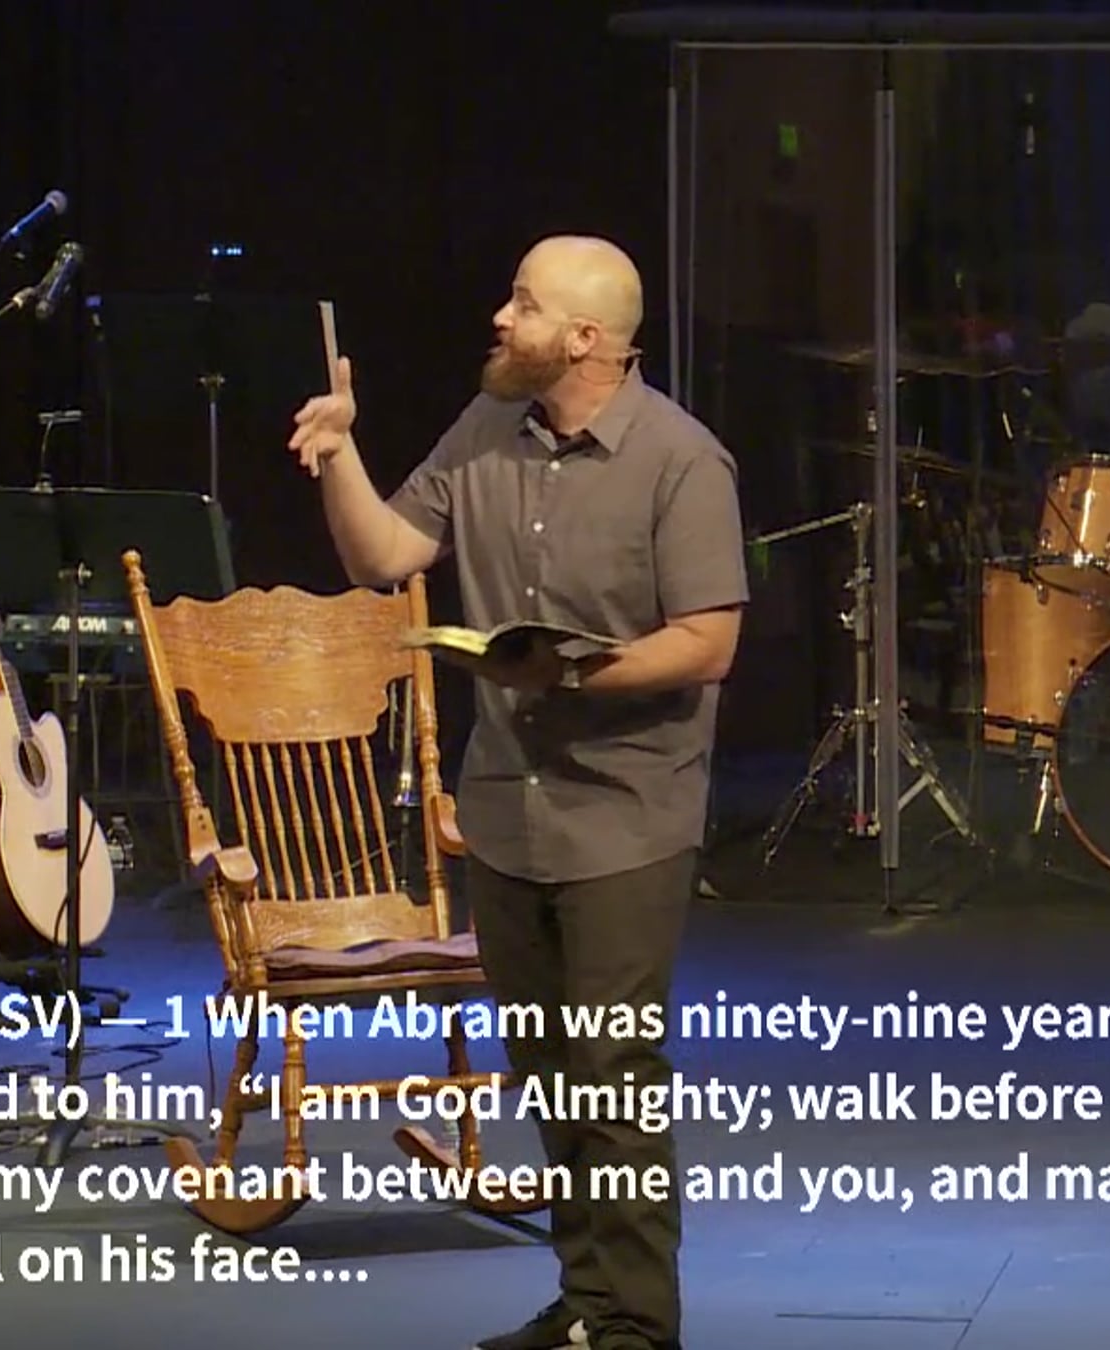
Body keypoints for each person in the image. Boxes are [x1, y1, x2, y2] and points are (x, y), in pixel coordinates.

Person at [287, 234, 746, 1350]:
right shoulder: (486, 428)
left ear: (585, 338)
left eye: (524, 305)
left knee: (613, 1070)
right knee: (549, 1070)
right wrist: (339, 454)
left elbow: (708, 641)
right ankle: (588, 1301)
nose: (501, 317)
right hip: (507, 806)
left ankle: (637, 1325)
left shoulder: (682, 460)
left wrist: (571, 674)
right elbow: (383, 557)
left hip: (626, 812)